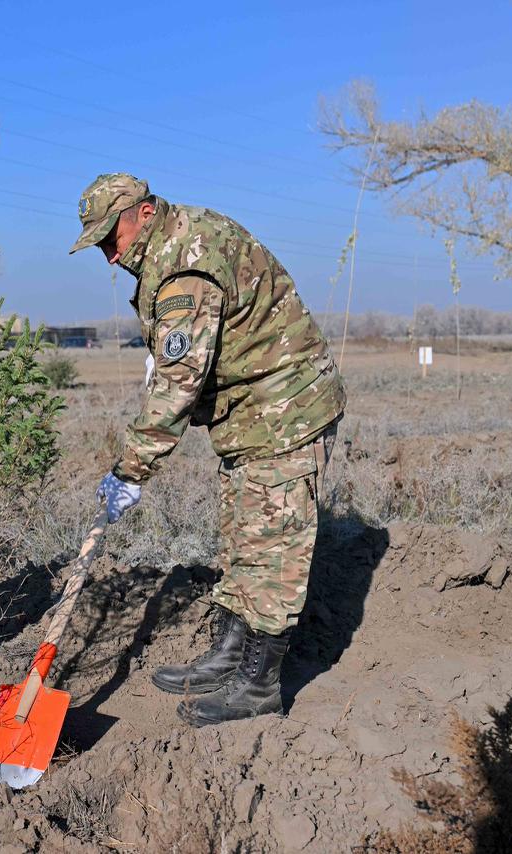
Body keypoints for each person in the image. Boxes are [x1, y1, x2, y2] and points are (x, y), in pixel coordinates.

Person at [70, 173, 346, 726]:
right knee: (243, 536)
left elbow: (178, 387)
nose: (110, 256)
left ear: (144, 212)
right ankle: (229, 655)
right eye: (99, 245)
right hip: (251, 415)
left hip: (286, 411)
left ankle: (259, 685)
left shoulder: (183, 270)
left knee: (272, 549)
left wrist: (131, 470)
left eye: (111, 238)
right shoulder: (175, 240)